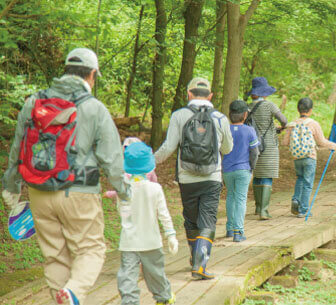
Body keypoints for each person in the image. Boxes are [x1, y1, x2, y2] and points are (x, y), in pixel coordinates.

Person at [2, 48, 129, 305]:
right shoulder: (94, 108)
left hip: (38, 192)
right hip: (79, 192)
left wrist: (11, 188)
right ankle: (73, 292)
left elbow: (17, 150)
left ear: (66, 71)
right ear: (92, 75)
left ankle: (64, 297)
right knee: (91, 249)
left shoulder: (32, 103)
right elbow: (112, 159)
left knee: (55, 256)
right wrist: (124, 192)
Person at [153, 77, 233, 280]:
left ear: (188, 94)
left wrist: (149, 162)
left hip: (187, 178)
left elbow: (169, 147)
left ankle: (193, 255)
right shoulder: (221, 118)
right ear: (211, 96)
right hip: (212, 176)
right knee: (207, 219)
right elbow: (228, 148)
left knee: (190, 218)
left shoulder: (179, 115)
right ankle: (200, 263)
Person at [105, 142, 177, 305]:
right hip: (151, 241)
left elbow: (122, 212)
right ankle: (164, 298)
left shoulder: (123, 189)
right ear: (148, 166)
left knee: (127, 277)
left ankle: (130, 302)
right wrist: (171, 235)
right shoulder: (155, 188)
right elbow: (163, 214)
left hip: (129, 241)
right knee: (155, 273)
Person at [283, 98, 336, 216]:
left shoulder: (292, 124)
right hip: (309, 157)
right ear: (310, 110)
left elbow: (284, 142)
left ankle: (295, 200)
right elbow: (321, 142)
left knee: (300, 178)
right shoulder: (313, 124)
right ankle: (303, 210)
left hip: (297, 158)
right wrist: (333, 145)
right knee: (308, 183)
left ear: (298, 109)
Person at [246, 76, 288, 220]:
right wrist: (281, 127)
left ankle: (258, 208)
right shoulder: (269, 105)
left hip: (254, 146)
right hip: (268, 145)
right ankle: (264, 210)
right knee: (267, 176)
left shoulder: (248, 108)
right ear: (264, 93)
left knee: (257, 175)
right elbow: (284, 120)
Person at [222, 100, 259, 242]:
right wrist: (252, 166)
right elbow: (254, 152)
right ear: (245, 115)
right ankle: (239, 231)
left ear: (230, 114)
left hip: (227, 169)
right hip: (243, 169)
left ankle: (230, 229)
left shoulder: (226, 130)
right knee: (241, 199)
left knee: (230, 196)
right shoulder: (249, 130)